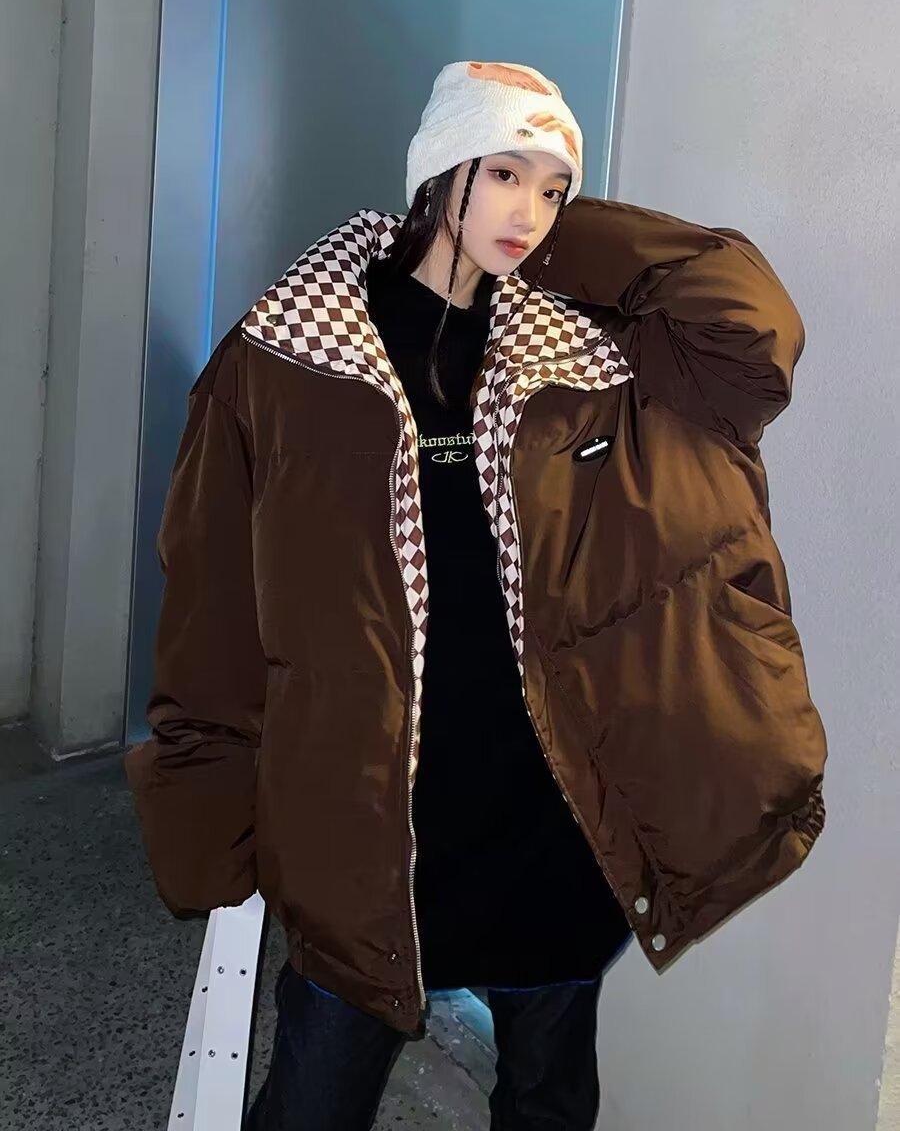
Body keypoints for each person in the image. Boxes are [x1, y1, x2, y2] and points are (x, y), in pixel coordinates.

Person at [125, 60, 828, 1130]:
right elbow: (212, 599)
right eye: (502, 173)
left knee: (549, 1096)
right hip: (371, 822)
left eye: (553, 188)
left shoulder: (584, 354)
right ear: (439, 169)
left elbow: (752, 325)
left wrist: (563, 237)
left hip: (550, 814)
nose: (527, 211)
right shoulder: (287, 357)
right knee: (314, 1098)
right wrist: (209, 806)